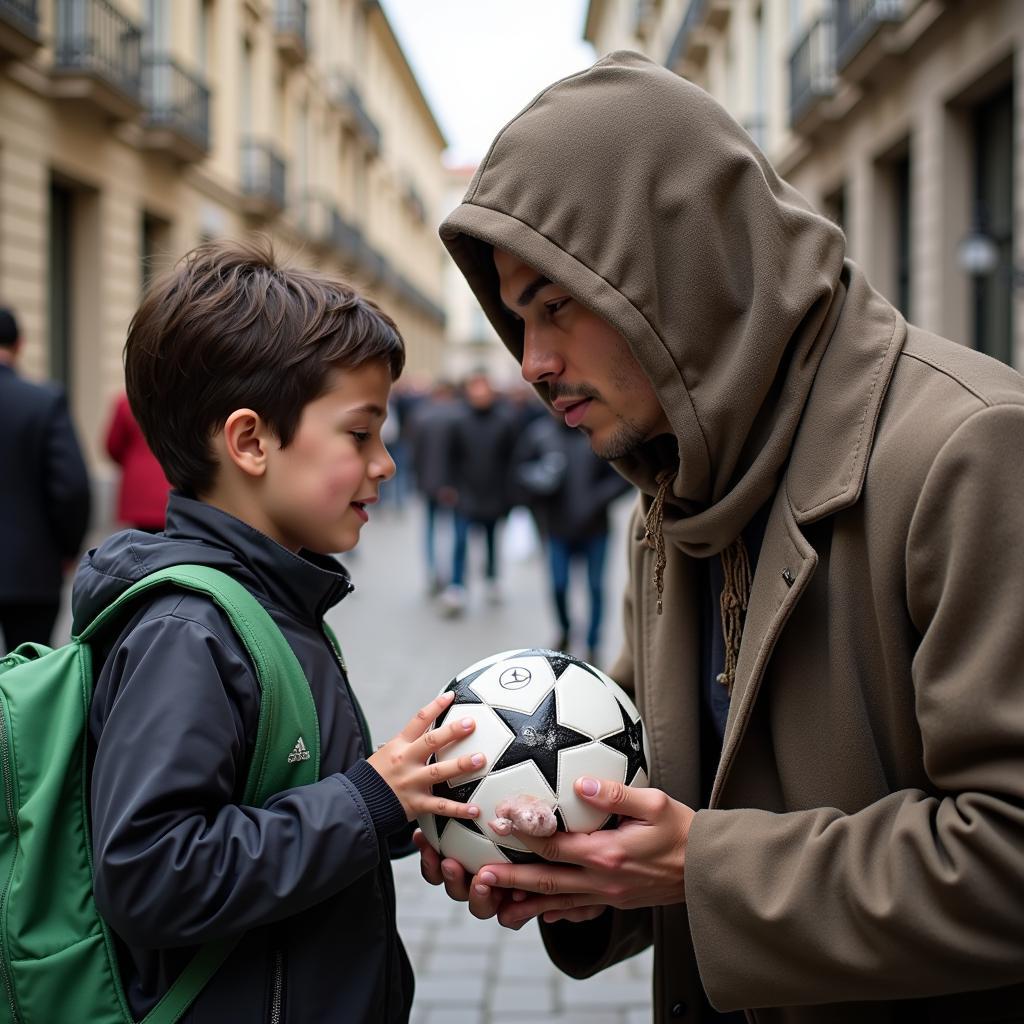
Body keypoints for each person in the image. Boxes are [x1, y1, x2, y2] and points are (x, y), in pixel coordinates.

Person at [416, 51, 1024, 1023]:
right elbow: (658, 802)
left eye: (554, 307)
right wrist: (563, 865)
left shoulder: (970, 449)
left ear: (671, 272)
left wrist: (703, 867)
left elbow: (1007, 852)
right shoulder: (672, 495)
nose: (530, 363)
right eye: (513, 320)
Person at [74, 238, 485, 1023]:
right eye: (360, 435)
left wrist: (415, 805)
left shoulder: (274, 598)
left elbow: (282, 807)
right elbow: (150, 874)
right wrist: (367, 801)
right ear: (252, 441)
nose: (386, 464)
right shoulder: (187, 631)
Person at [0, 306, 91, 653]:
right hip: (31, 569)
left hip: (32, 567)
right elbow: (72, 487)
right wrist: (68, 547)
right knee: (29, 674)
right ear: (20, 345)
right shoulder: (43, 402)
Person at [511, 413, 632, 664]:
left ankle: (593, 643)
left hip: (596, 529)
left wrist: (597, 499)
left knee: (596, 588)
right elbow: (519, 470)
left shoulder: (599, 432)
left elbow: (624, 476)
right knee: (558, 585)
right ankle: (565, 630)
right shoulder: (539, 433)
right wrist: (540, 480)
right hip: (557, 528)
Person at [439, 371, 517, 616]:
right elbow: (449, 457)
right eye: (476, 389)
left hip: (494, 493)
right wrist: (449, 486)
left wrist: (510, 494)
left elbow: (511, 460)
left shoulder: (504, 422)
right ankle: (457, 586)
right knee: (460, 541)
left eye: (484, 389)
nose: (480, 394)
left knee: (493, 540)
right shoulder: (458, 421)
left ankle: (492, 578)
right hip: (466, 493)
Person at [408, 378, 459, 595]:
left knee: (429, 528)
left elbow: (414, 453)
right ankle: (448, 572)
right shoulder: (457, 416)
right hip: (450, 484)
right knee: (449, 530)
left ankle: (431, 571)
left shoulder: (420, 415)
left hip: (427, 482)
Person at [104, 390, 171, 531]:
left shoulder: (126, 403)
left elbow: (113, 445)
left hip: (140, 491)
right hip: (172, 487)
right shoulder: (180, 402)